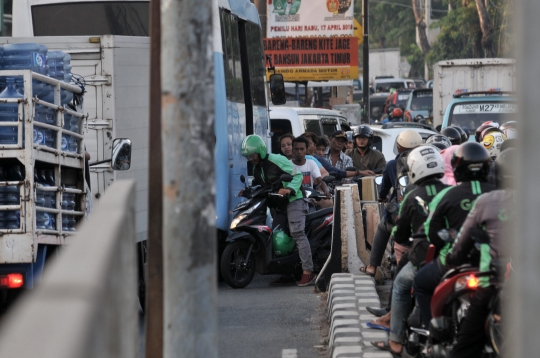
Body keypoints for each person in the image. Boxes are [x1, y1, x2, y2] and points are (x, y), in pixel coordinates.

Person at [371, 146, 449, 356]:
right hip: (453, 255)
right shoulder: (450, 190)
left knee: (400, 285)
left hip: (425, 255)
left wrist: (403, 238)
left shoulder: (412, 194)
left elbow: (400, 232)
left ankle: (396, 340)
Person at [413, 142, 496, 328]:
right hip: (493, 264)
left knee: (420, 282)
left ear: (457, 168)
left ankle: (433, 332)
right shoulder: (499, 195)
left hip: (454, 262)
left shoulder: (447, 194)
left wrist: (448, 247)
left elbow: (432, 232)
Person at [446, 148, 515, 358]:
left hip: (494, 283)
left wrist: (453, 258)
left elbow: (462, 241)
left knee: (463, 350)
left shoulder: (487, 201)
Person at [240, 134, 316, 286]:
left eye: (252, 155)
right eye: (248, 156)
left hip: (294, 200)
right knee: (277, 239)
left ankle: (308, 272)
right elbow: (259, 185)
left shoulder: (276, 160)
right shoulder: (257, 168)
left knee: (297, 232)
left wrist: (288, 190)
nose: (250, 159)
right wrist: (248, 192)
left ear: (260, 151)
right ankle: (287, 274)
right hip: (279, 205)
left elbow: (297, 175)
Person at [360, 130, 423, 277]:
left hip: (400, 209)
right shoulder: (424, 162)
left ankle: (372, 266)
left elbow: (384, 188)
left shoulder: (393, 164)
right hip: (424, 207)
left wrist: (382, 197)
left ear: (399, 147)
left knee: (382, 230)